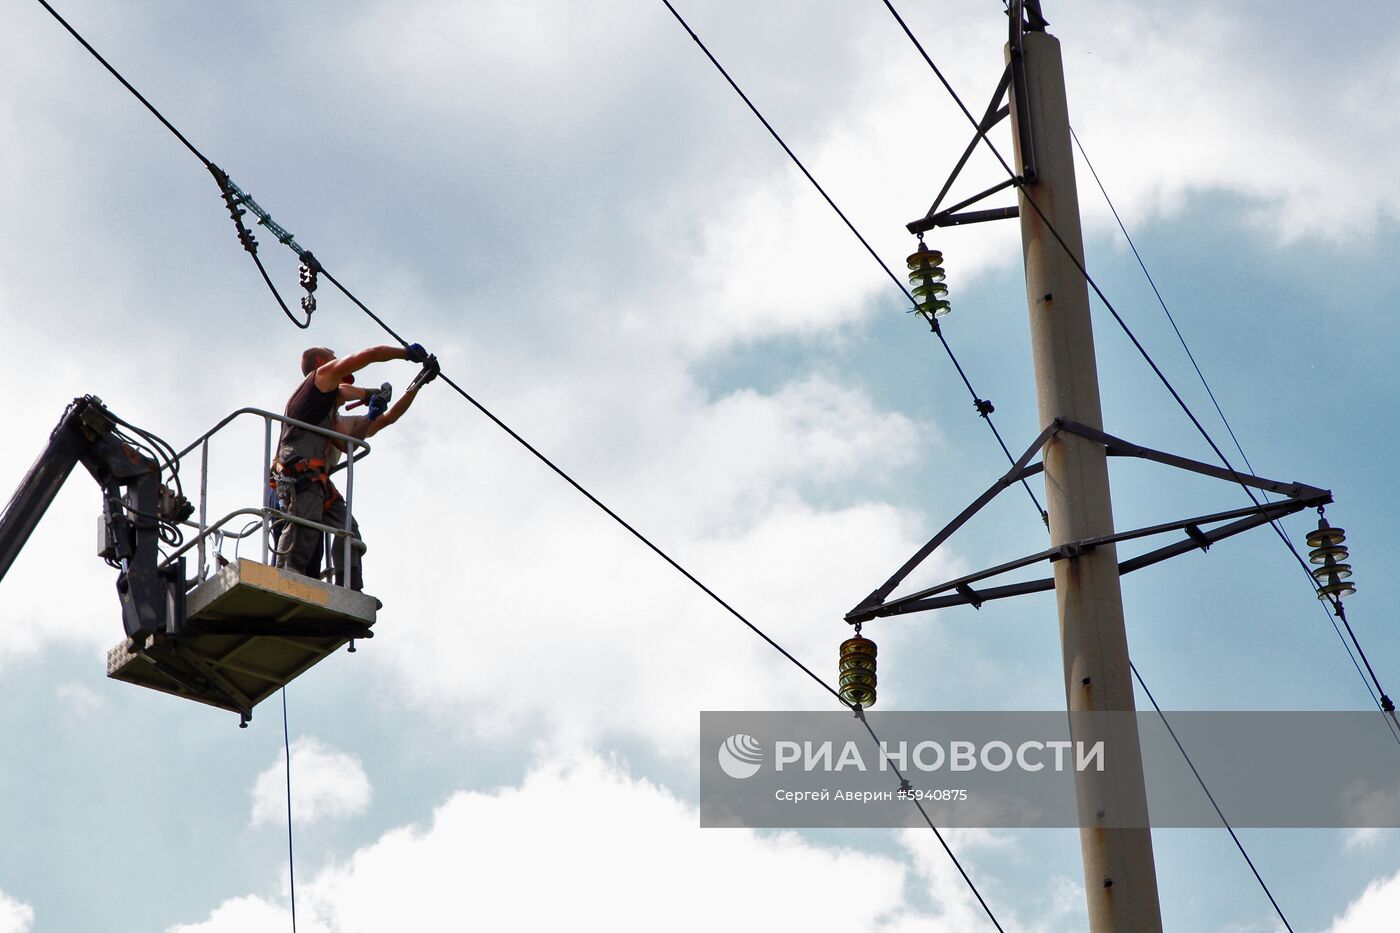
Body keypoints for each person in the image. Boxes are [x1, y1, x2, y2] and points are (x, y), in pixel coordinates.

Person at [271, 343, 432, 589]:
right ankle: (284, 577)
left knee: (348, 530)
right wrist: (404, 354)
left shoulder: (331, 422)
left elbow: (384, 421)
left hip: (319, 480)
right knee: (303, 523)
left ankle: (350, 586)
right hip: (298, 473)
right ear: (320, 363)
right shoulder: (319, 378)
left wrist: (417, 385)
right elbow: (366, 356)